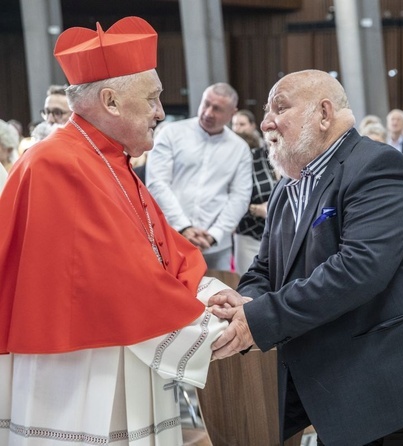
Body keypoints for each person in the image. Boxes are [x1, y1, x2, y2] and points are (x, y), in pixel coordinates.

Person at [208, 69, 403, 445]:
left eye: (279, 108)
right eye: (266, 111)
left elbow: (359, 268)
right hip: (344, 389)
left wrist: (258, 319)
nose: (267, 121)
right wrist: (245, 300)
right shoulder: (287, 189)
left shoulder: (376, 165)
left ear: (323, 113)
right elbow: (266, 269)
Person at [0, 17, 231, 444]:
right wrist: (218, 327)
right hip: (76, 375)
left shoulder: (111, 160)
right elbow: (117, 279)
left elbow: (162, 249)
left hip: (121, 355)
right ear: (110, 101)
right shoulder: (56, 164)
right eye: (153, 98)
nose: (161, 112)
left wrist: (209, 292)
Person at [146, 83, 253, 271]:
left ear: (232, 113)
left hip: (216, 247)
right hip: (171, 237)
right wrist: (184, 227)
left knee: (218, 296)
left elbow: (240, 197)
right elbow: (157, 184)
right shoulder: (171, 133)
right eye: (206, 104)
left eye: (217, 109)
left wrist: (213, 235)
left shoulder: (240, 148)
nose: (208, 113)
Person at [233, 112, 279, 275]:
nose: (237, 128)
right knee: (251, 284)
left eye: (242, 124)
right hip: (248, 235)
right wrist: (256, 209)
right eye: (235, 125)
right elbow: (229, 203)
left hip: (277, 235)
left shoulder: (265, 157)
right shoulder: (232, 165)